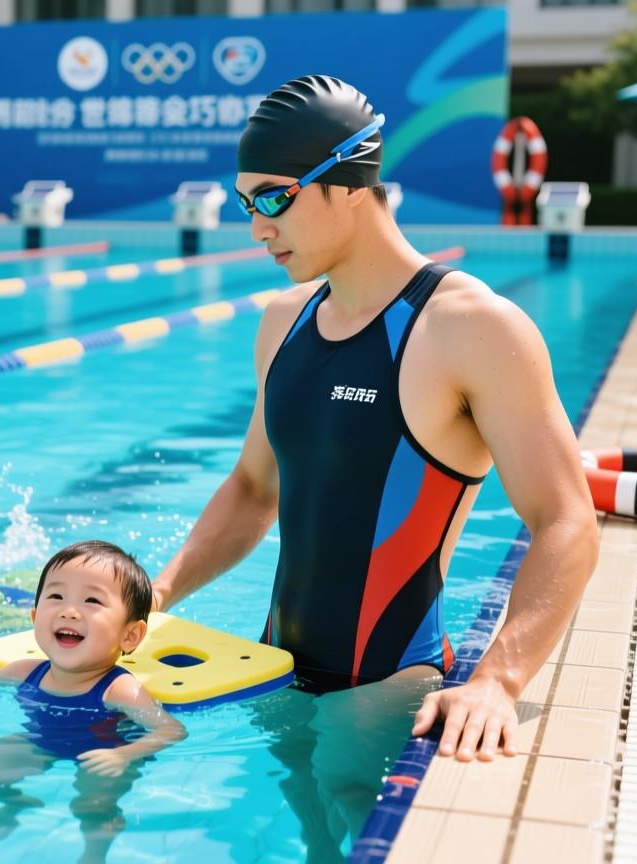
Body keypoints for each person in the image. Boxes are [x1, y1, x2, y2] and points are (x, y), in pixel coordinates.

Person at [151, 75, 598, 763]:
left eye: (274, 197)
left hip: (387, 696)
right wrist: (157, 593)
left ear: (352, 181)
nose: (256, 225)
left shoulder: (470, 328)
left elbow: (567, 521)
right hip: (270, 678)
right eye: (247, 202)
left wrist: (498, 682)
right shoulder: (282, 321)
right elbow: (252, 488)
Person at [0, 540, 187, 862]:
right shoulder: (27, 671)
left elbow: (170, 731)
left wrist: (125, 756)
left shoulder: (118, 689)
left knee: (91, 806)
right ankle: (13, 803)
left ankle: (95, 852)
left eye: (92, 600)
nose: (69, 611)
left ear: (129, 635)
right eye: (56, 596)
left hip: (107, 751)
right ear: (34, 615)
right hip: (41, 741)